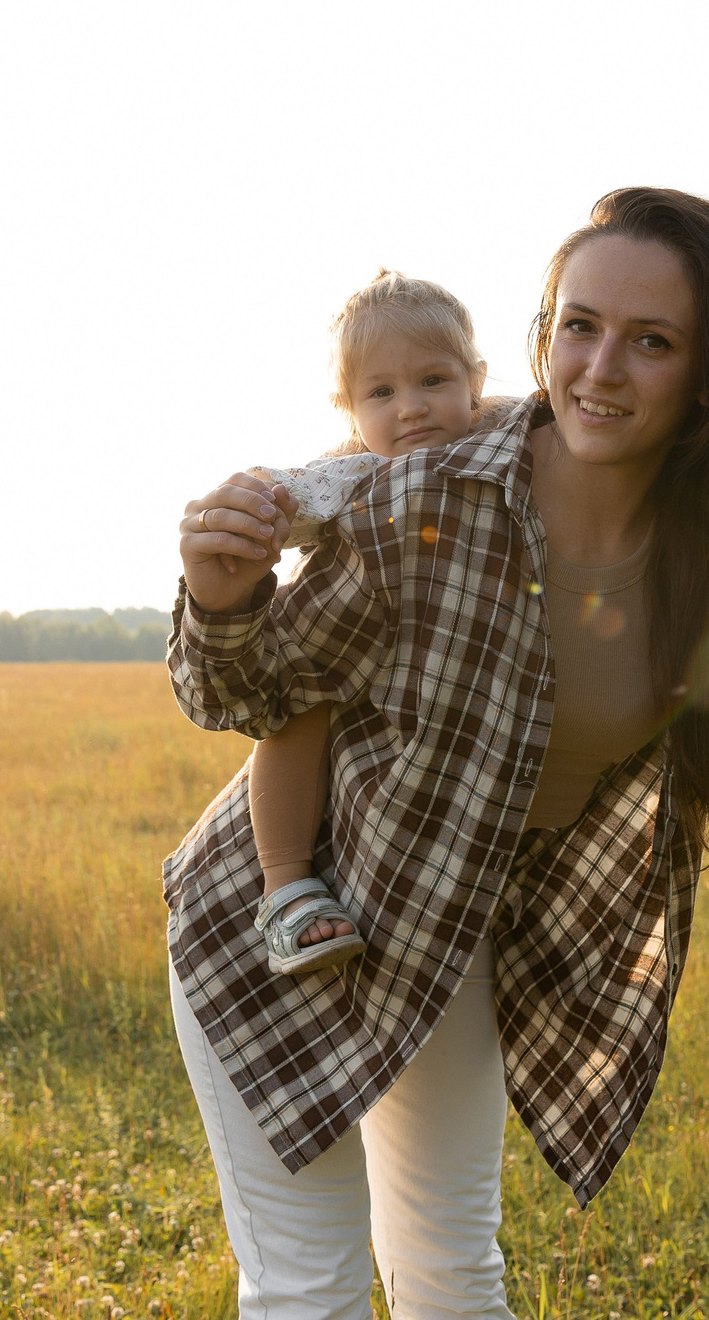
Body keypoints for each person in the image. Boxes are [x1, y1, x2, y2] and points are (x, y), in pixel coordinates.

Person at [162, 189, 709, 1320]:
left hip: (447, 936)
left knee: (450, 1273)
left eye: (650, 340)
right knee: (305, 1287)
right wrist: (220, 596)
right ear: (541, 338)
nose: (601, 368)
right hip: (282, 923)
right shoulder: (429, 497)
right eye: (579, 325)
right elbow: (247, 690)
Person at [240, 270, 517, 976]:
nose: (412, 408)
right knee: (300, 712)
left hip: (443, 657)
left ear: (475, 380)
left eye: (434, 381)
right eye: (382, 393)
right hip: (346, 635)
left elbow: (538, 416)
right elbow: (283, 498)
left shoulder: (499, 442)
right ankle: (284, 885)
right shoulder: (353, 473)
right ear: (350, 408)